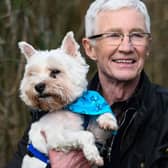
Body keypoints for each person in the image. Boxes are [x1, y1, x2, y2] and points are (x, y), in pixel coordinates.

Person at [6, 0, 168, 168]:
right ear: (90, 48)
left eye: (137, 35)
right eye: (113, 35)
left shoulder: (164, 113)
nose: (126, 47)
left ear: (148, 46)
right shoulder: (48, 109)